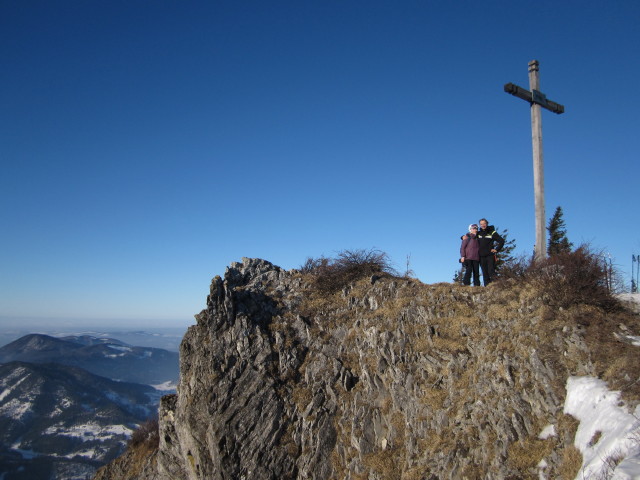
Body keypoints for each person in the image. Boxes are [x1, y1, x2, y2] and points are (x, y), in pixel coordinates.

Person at [476, 218, 504, 285]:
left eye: (484, 223)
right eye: (481, 224)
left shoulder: (492, 232)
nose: (483, 225)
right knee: (484, 273)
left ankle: (496, 286)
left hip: (490, 255)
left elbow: (501, 241)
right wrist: (463, 237)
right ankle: (487, 288)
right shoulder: (478, 233)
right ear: (479, 225)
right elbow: (470, 237)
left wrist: (496, 249)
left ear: (487, 224)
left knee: (491, 271)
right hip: (481, 256)